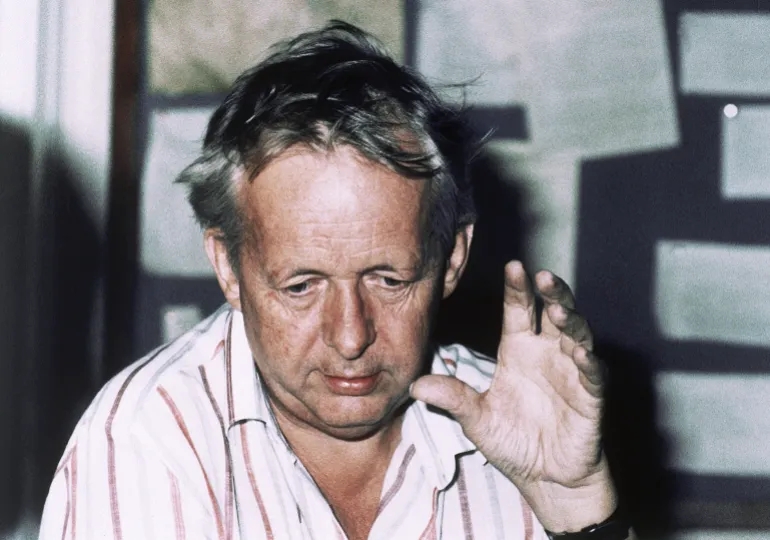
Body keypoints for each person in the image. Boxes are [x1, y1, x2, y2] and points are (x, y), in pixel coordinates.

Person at [40, 21, 636, 540]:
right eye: (301, 286)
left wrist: (577, 507)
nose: (350, 337)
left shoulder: (518, 424)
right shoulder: (148, 442)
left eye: (388, 280)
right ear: (228, 267)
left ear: (452, 257)